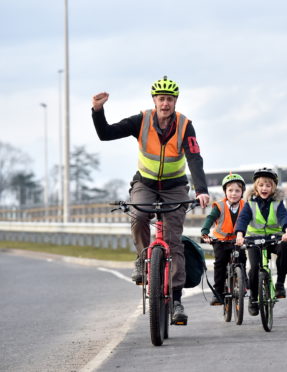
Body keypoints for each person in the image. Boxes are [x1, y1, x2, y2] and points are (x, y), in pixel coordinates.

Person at [91, 76, 210, 323]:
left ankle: (176, 300)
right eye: (161, 99)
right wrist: (98, 110)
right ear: (154, 100)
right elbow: (106, 134)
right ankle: (142, 258)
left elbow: (194, 158)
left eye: (169, 99)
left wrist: (201, 190)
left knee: (173, 240)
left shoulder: (185, 125)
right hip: (144, 183)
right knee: (139, 215)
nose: (165, 103)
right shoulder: (141, 121)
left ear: (175, 101)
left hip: (175, 186)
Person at [234, 168, 287, 316]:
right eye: (261, 185)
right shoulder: (250, 203)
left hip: (274, 238)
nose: (264, 188)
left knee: (285, 247)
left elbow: (284, 217)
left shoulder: (277, 203)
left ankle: (280, 284)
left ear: (273, 187)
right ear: (256, 187)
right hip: (254, 239)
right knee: (254, 268)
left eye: (268, 185)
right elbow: (242, 219)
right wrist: (240, 235)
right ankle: (253, 298)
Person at [201, 173, 247, 306]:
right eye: (230, 190)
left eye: (237, 190)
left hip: (237, 240)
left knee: (242, 259)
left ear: (242, 192)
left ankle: (244, 283)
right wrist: (205, 232)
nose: (234, 193)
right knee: (220, 263)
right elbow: (210, 219)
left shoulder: (245, 205)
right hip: (220, 241)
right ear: (225, 192)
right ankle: (218, 292)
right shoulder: (219, 206)